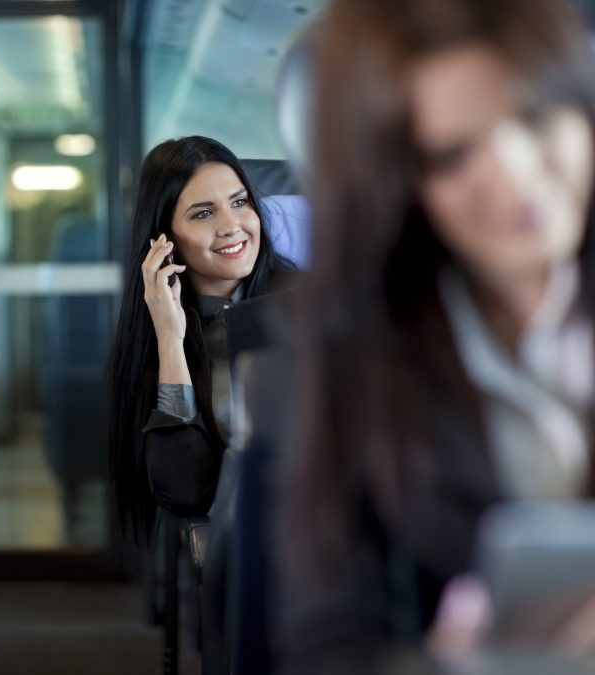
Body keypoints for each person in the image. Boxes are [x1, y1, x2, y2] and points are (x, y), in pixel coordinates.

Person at [278, 0, 595, 670]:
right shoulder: (345, 358)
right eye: (452, 155)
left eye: (536, 117)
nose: (514, 173)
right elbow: (325, 644)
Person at [108, 135, 295, 540]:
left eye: (240, 202)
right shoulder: (161, 328)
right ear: (164, 238)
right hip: (245, 545)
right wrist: (171, 341)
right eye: (203, 213)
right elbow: (185, 491)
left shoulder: (308, 304)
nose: (231, 226)